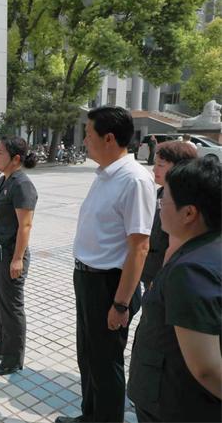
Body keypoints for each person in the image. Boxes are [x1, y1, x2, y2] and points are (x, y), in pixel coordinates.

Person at [55, 106, 156, 423]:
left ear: (109, 138)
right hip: (87, 279)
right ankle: (90, 416)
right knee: (88, 357)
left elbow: (139, 247)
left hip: (110, 285)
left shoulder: (134, 180)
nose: (84, 140)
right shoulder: (105, 174)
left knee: (106, 362)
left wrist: (121, 304)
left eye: (88, 134)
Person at [128, 156, 221, 422]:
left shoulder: (191, 272)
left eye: (163, 200)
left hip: (173, 402)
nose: (159, 208)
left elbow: (206, 368)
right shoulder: (208, 247)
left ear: (189, 213)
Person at [0, 137, 38, 376]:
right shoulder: (4, 179)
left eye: (0, 153)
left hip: (11, 255)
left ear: (15, 159)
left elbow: (25, 225)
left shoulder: (22, 185)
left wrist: (17, 259)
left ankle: (13, 359)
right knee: (0, 303)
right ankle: (1, 347)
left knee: (12, 307)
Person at [139, 141, 197, 291]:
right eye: (155, 164)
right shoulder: (161, 192)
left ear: (179, 167)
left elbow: (175, 244)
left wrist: (160, 280)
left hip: (166, 277)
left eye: (160, 165)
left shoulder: (181, 200)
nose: (154, 169)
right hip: (152, 271)